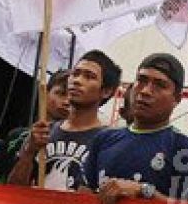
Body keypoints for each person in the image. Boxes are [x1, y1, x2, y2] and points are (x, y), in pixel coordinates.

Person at [83, 53, 188, 204]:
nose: (146, 91)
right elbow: (82, 202)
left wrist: (144, 191)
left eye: (160, 85)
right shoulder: (103, 139)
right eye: (141, 81)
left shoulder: (184, 148)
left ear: (177, 98)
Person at [10, 52, 120, 191]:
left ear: (106, 91)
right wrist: (29, 151)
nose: (77, 80)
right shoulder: (42, 132)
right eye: (75, 73)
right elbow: (13, 191)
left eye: (89, 77)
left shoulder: (110, 142)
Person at [0, 69, 69, 183]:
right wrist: (29, 151)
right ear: (45, 94)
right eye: (61, 93)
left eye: (72, 97)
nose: (66, 102)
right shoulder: (16, 137)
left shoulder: (76, 144)